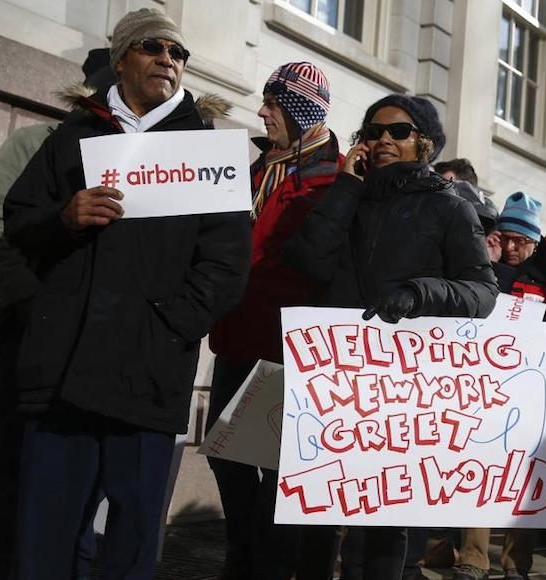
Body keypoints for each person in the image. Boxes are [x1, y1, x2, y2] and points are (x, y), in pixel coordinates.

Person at [3, 9, 251, 578]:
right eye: (152, 47)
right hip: (62, 376)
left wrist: (168, 327)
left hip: (148, 376)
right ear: (120, 60)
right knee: (45, 540)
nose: (168, 58)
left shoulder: (209, 152)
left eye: (178, 52)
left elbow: (226, 265)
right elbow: (16, 224)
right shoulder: (71, 137)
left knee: (133, 542)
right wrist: (63, 218)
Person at [287, 93, 498, 579]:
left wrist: (418, 292)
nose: (383, 139)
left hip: (400, 383)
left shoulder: (449, 207)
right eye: (373, 131)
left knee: (382, 523)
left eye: (398, 131)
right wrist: (344, 187)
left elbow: (482, 294)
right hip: (335, 376)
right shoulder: (346, 196)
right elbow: (307, 262)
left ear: (423, 142)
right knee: (317, 517)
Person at [0, 48, 115, 580]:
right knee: (14, 461)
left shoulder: (144, 159)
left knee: (82, 476)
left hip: (102, 341)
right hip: (31, 332)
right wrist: (33, 302)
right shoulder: (35, 143)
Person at [204, 61, 339, 580]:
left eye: (275, 104)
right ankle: (244, 555)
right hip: (236, 338)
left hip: (290, 352)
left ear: (303, 111)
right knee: (225, 457)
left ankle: (261, 565)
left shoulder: (336, 177)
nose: (262, 113)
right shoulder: (257, 168)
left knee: (279, 473)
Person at [452, 190, 546, 580]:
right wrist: (491, 264)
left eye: (521, 241)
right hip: (485, 387)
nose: (512, 247)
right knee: (479, 470)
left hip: (531, 390)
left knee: (525, 477)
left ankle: (516, 561)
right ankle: (474, 557)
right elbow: (476, 304)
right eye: (507, 239)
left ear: (535, 241)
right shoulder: (485, 268)